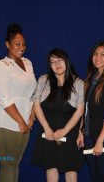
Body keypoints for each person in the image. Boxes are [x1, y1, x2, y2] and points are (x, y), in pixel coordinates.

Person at [0, 23, 36, 182]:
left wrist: (31, 117)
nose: (21, 47)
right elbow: (4, 98)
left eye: (23, 44)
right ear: (7, 44)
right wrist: (20, 122)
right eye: (17, 44)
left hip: (25, 121)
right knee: (8, 165)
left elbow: (32, 95)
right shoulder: (1, 66)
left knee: (15, 165)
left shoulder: (28, 63)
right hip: (7, 121)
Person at [31, 49, 84, 182]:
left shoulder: (78, 83)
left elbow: (80, 110)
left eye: (59, 60)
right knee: (51, 166)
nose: (56, 64)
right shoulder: (43, 80)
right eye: (52, 62)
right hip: (47, 131)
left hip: (70, 131)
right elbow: (36, 105)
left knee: (70, 168)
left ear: (66, 61)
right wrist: (47, 128)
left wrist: (64, 131)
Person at [77, 40, 104, 182]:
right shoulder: (90, 80)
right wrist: (81, 132)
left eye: (102, 54)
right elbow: (86, 110)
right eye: (95, 54)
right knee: (95, 177)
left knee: (103, 177)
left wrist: (100, 141)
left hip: (103, 138)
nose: (98, 57)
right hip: (89, 136)